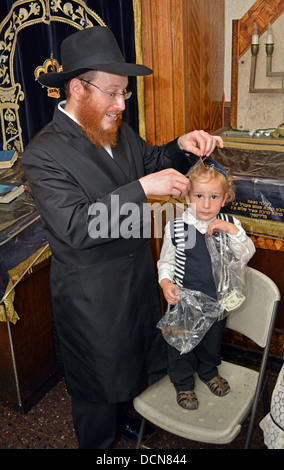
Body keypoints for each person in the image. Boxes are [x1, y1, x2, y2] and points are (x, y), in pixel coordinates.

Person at [22, 25, 223, 448]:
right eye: (112, 93)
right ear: (77, 88)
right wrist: (140, 190)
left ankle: (123, 424)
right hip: (92, 298)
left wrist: (182, 146)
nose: (120, 104)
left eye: (124, 94)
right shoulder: (44, 153)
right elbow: (76, 225)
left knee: (129, 370)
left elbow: (149, 160)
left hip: (133, 283)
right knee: (97, 386)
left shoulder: (114, 128)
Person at [158, 158, 255, 410]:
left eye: (214, 197)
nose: (206, 203)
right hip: (183, 301)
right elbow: (166, 260)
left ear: (224, 199)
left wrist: (232, 232)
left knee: (211, 342)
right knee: (180, 346)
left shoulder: (231, 226)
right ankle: (183, 384)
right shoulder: (176, 228)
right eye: (199, 195)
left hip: (216, 300)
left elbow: (246, 253)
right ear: (188, 196)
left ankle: (208, 371)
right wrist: (166, 282)